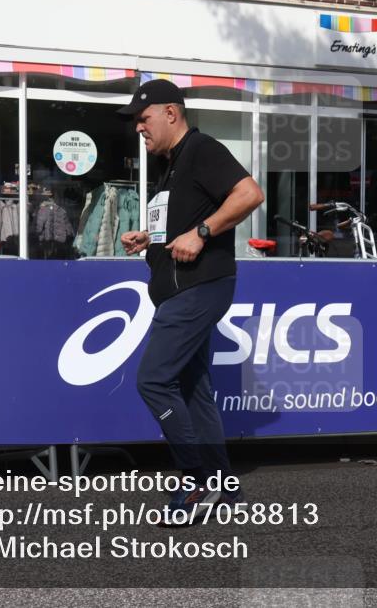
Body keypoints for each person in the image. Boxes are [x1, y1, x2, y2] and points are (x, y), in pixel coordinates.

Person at [117, 79, 264, 522]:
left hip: (199, 288)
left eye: (143, 118)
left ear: (171, 113)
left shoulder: (201, 149)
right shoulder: (171, 165)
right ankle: (222, 486)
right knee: (193, 388)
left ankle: (197, 478)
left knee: (153, 380)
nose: (138, 128)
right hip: (181, 290)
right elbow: (182, 224)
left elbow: (250, 194)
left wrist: (202, 233)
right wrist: (151, 239)